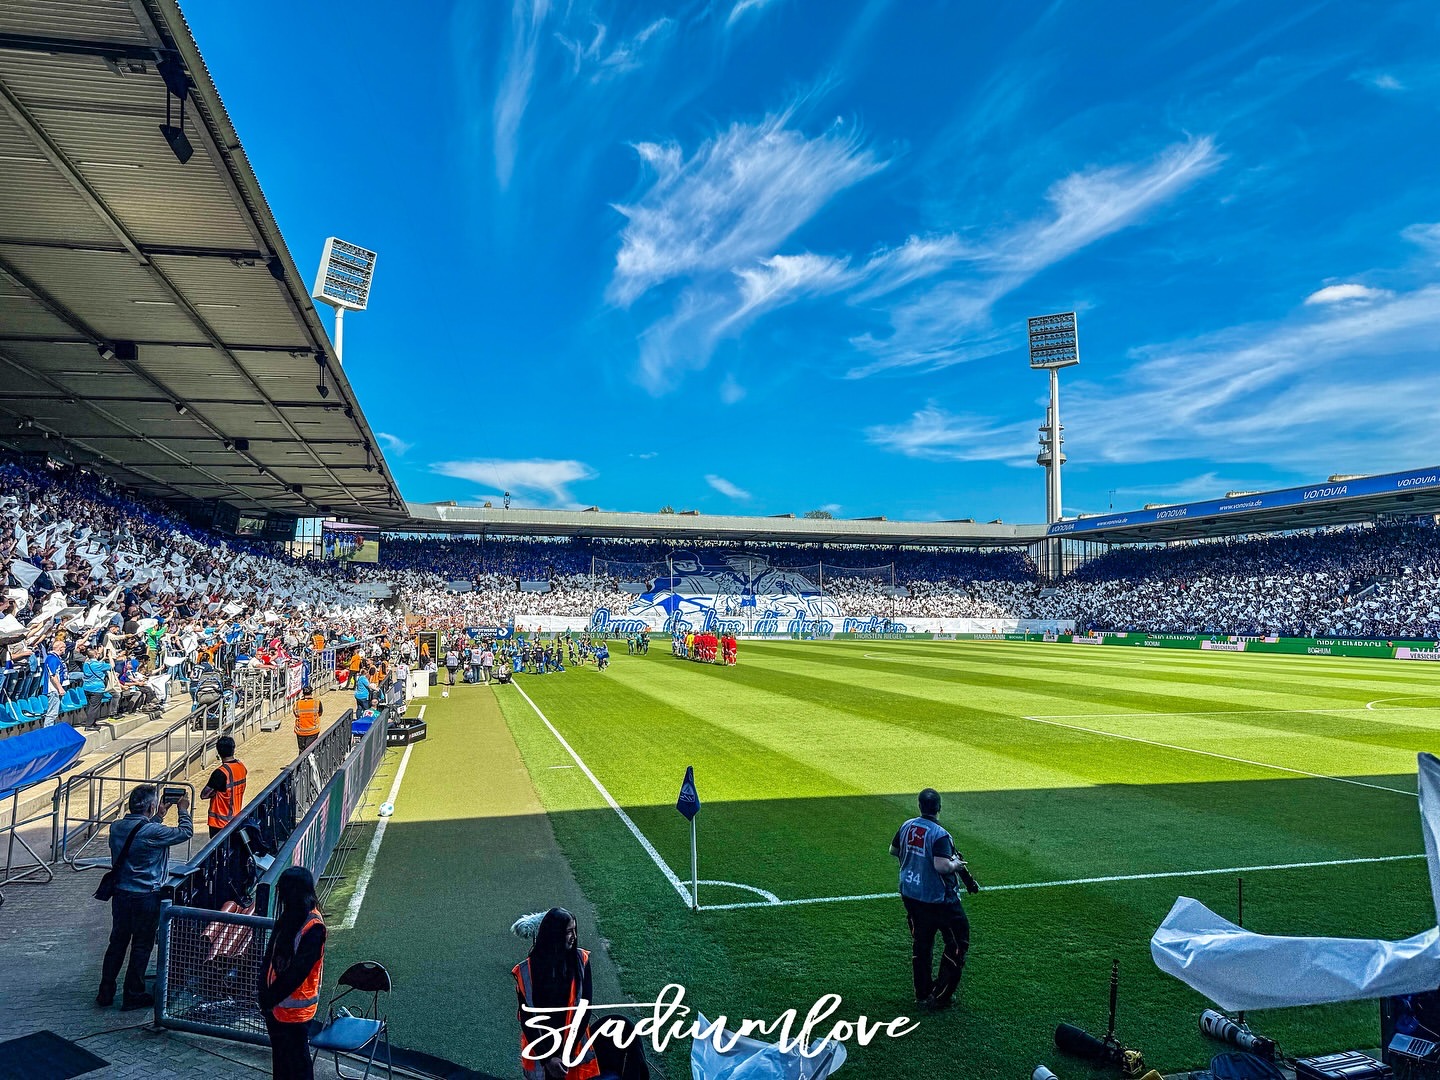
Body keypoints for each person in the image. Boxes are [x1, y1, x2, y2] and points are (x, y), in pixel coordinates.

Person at [98, 784, 194, 1009]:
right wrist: (183, 810)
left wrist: (158, 816)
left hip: (121, 894)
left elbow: (140, 833)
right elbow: (186, 832)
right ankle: (133, 994)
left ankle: (105, 991)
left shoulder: (116, 827)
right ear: (151, 806)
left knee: (117, 942)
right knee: (141, 946)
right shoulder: (152, 832)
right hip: (146, 897)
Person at [889, 788, 979, 1008]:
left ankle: (922, 992)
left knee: (922, 943)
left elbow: (893, 850)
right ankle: (940, 997)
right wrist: (956, 865)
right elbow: (942, 866)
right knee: (957, 942)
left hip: (911, 895)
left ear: (920, 806)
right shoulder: (939, 834)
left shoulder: (907, 825)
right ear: (939, 807)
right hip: (939, 900)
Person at [513, 908, 601, 1080]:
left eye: (574, 930)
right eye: (568, 932)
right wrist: (548, 1058)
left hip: (572, 1049)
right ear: (554, 934)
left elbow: (585, 1008)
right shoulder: (526, 970)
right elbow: (527, 1019)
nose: (574, 936)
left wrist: (565, 1053)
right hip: (543, 1050)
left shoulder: (581, 960)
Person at [257, 867, 326, 1080]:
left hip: (296, 1011)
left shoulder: (314, 926)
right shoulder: (289, 917)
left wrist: (268, 998)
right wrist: (265, 996)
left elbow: (297, 973)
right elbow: (270, 957)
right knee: (282, 1063)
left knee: (298, 1065)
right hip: (277, 1007)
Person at [201, 735, 248, 838]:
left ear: (218, 752)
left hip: (219, 823)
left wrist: (216, 792)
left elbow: (204, 795)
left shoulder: (221, 773)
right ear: (233, 749)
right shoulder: (241, 767)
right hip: (235, 818)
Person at [292, 685, 322, 752]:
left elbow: (296, 714)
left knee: (302, 751)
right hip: (313, 731)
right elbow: (320, 713)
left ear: (303, 694)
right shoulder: (317, 702)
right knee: (310, 750)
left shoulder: (297, 704)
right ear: (311, 693)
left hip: (300, 731)